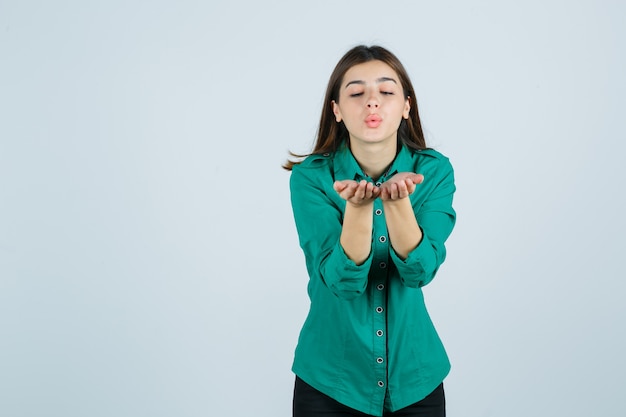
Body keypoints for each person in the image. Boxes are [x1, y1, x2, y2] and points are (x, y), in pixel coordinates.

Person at [284, 45, 456, 417]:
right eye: (357, 93)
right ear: (337, 110)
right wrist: (358, 212)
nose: (372, 103)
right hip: (329, 380)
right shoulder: (311, 178)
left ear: (406, 106)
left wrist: (397, 204)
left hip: (416, 380)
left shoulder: (435, 171)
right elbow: (341, 282)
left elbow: (420, 271)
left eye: (386, 91)